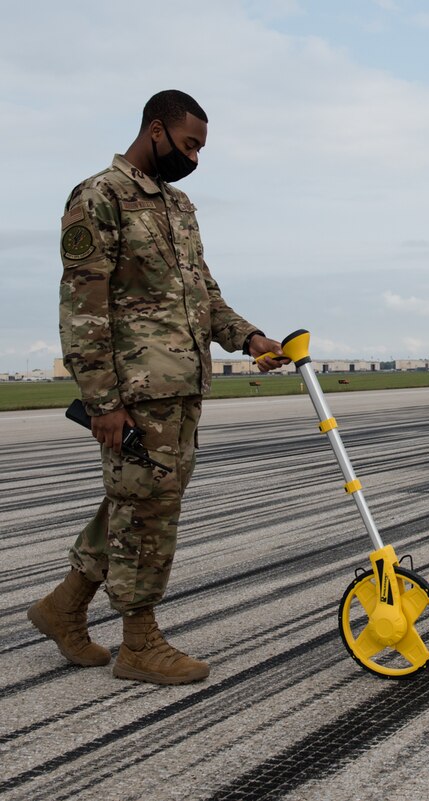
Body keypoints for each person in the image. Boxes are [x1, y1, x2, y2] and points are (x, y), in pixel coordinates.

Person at [29, 89, 288, 685]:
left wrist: (251, 339)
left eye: (201, 148)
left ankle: (63, 609)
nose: (194, 158)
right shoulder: (99, 198)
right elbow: (83, 310)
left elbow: (204, 295)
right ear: (155, 130)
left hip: (181, 388)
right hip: (135, 394)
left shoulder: (179, 206)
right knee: (147, 512)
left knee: (136, 502)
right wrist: (103, 402)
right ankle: (139, 644)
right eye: (189, 144)